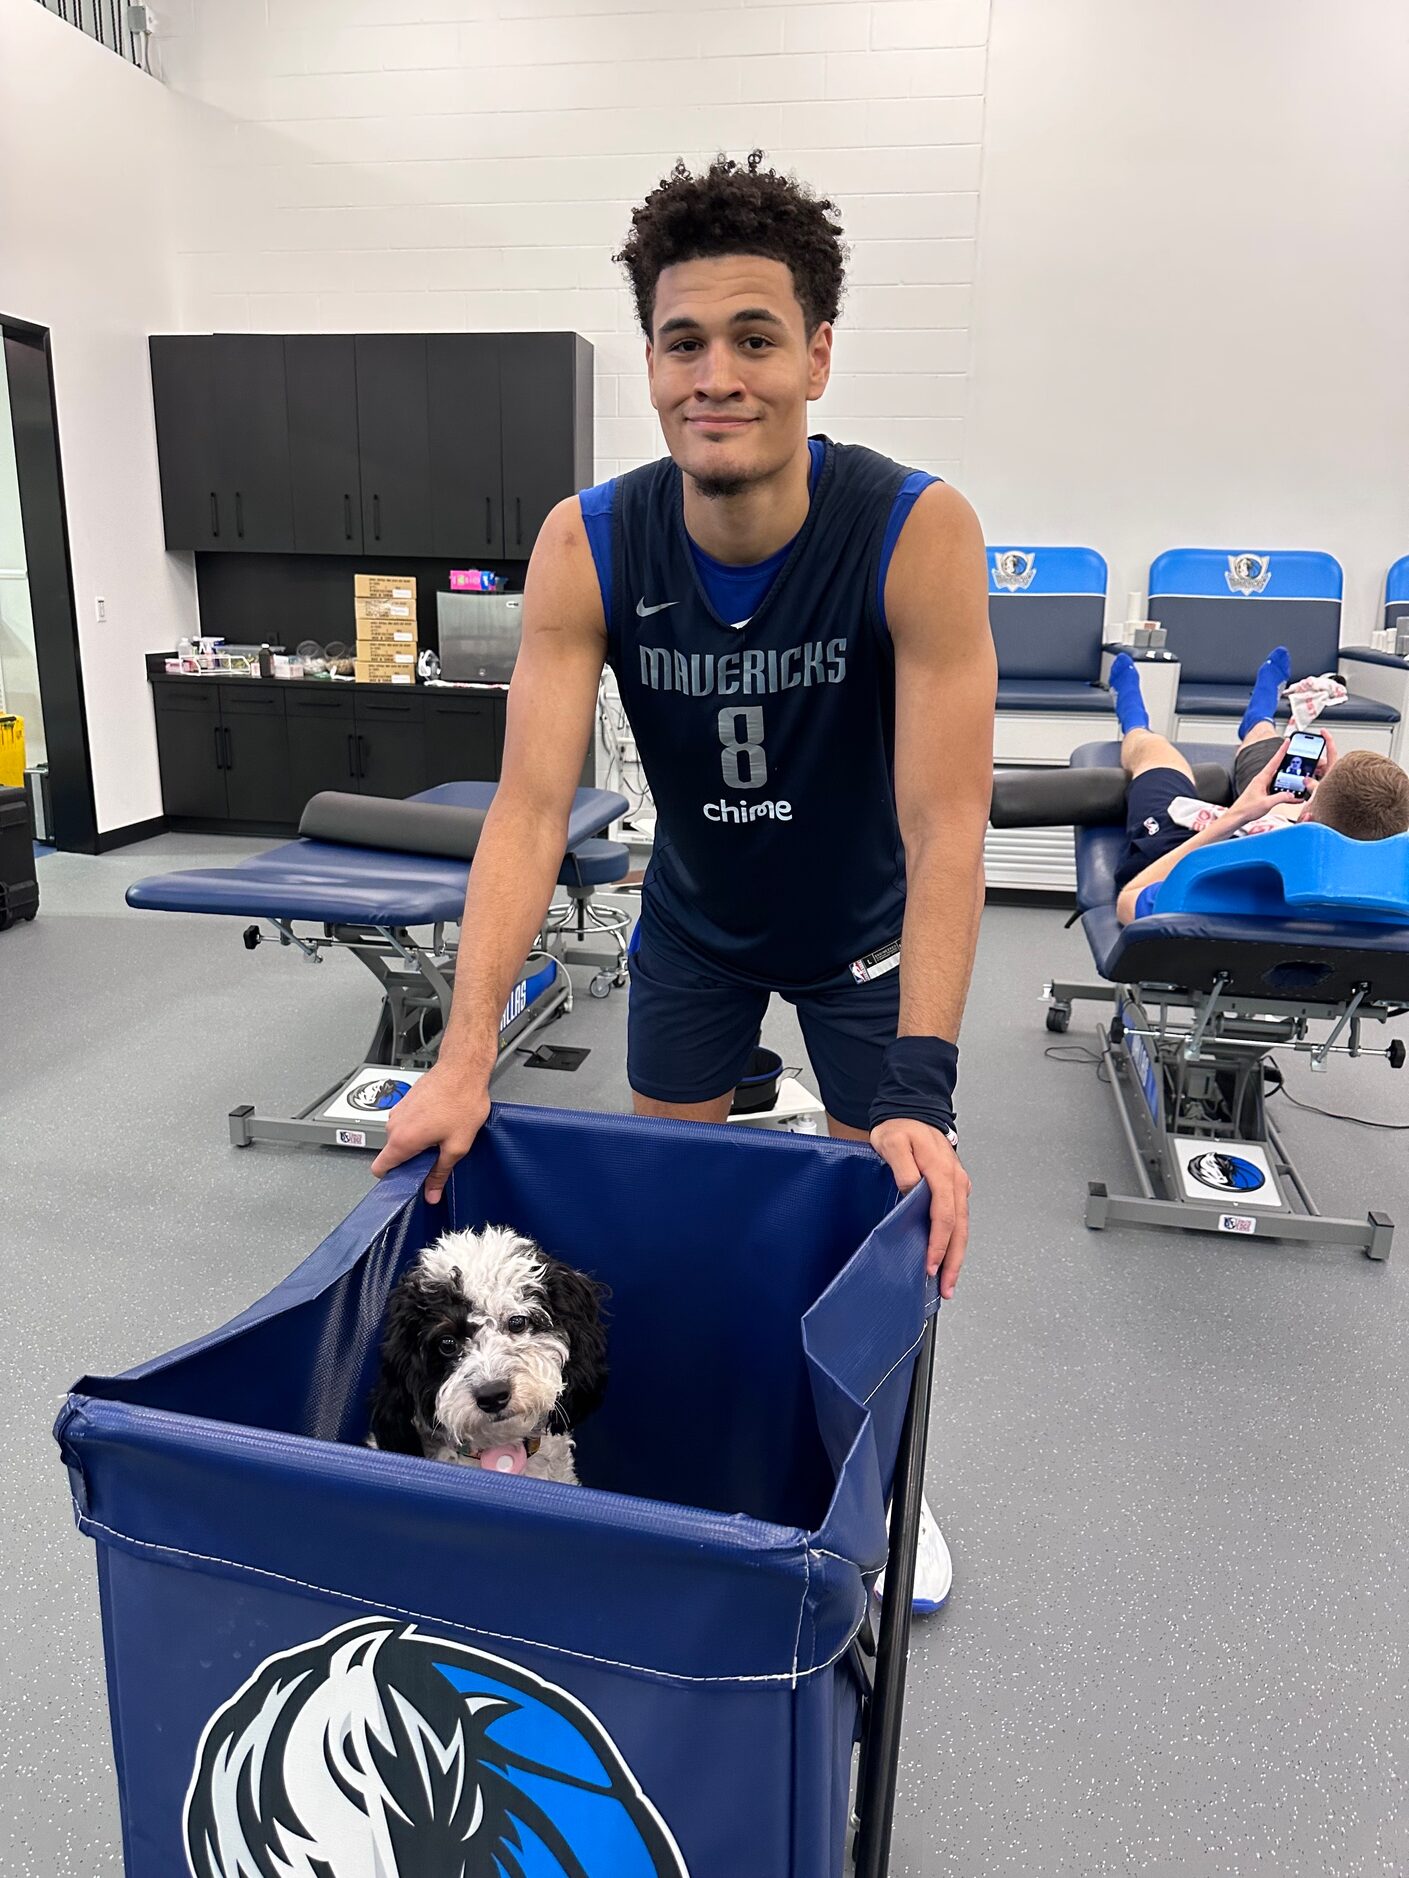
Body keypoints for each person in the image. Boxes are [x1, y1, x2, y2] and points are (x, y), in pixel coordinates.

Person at [372, 151, 998, 1611]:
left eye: (755, 339)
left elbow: (949, 822)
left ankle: (888, 1471)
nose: (717, 376)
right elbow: (530, 810)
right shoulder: (587, 541)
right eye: (682, 341)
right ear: (650, 358)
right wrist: (467, 1057)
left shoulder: (917, 531)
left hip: (860, 934)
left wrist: (922, 1084)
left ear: (818, 355)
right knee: (680, 1212)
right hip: (697, 926)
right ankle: (664, 1438)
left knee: (876, 1223)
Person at [1108, 647, 1409, 924]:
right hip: (1289, 839)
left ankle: (1134, 719)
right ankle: (1258, 718)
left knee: (1155, 753)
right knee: (1273, 763)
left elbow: (1128, 903)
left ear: (1307, 819)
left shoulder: (1209, 889)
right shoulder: (1393, 906)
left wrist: (1233, 818)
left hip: (1188, 848)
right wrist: (1324, 797)